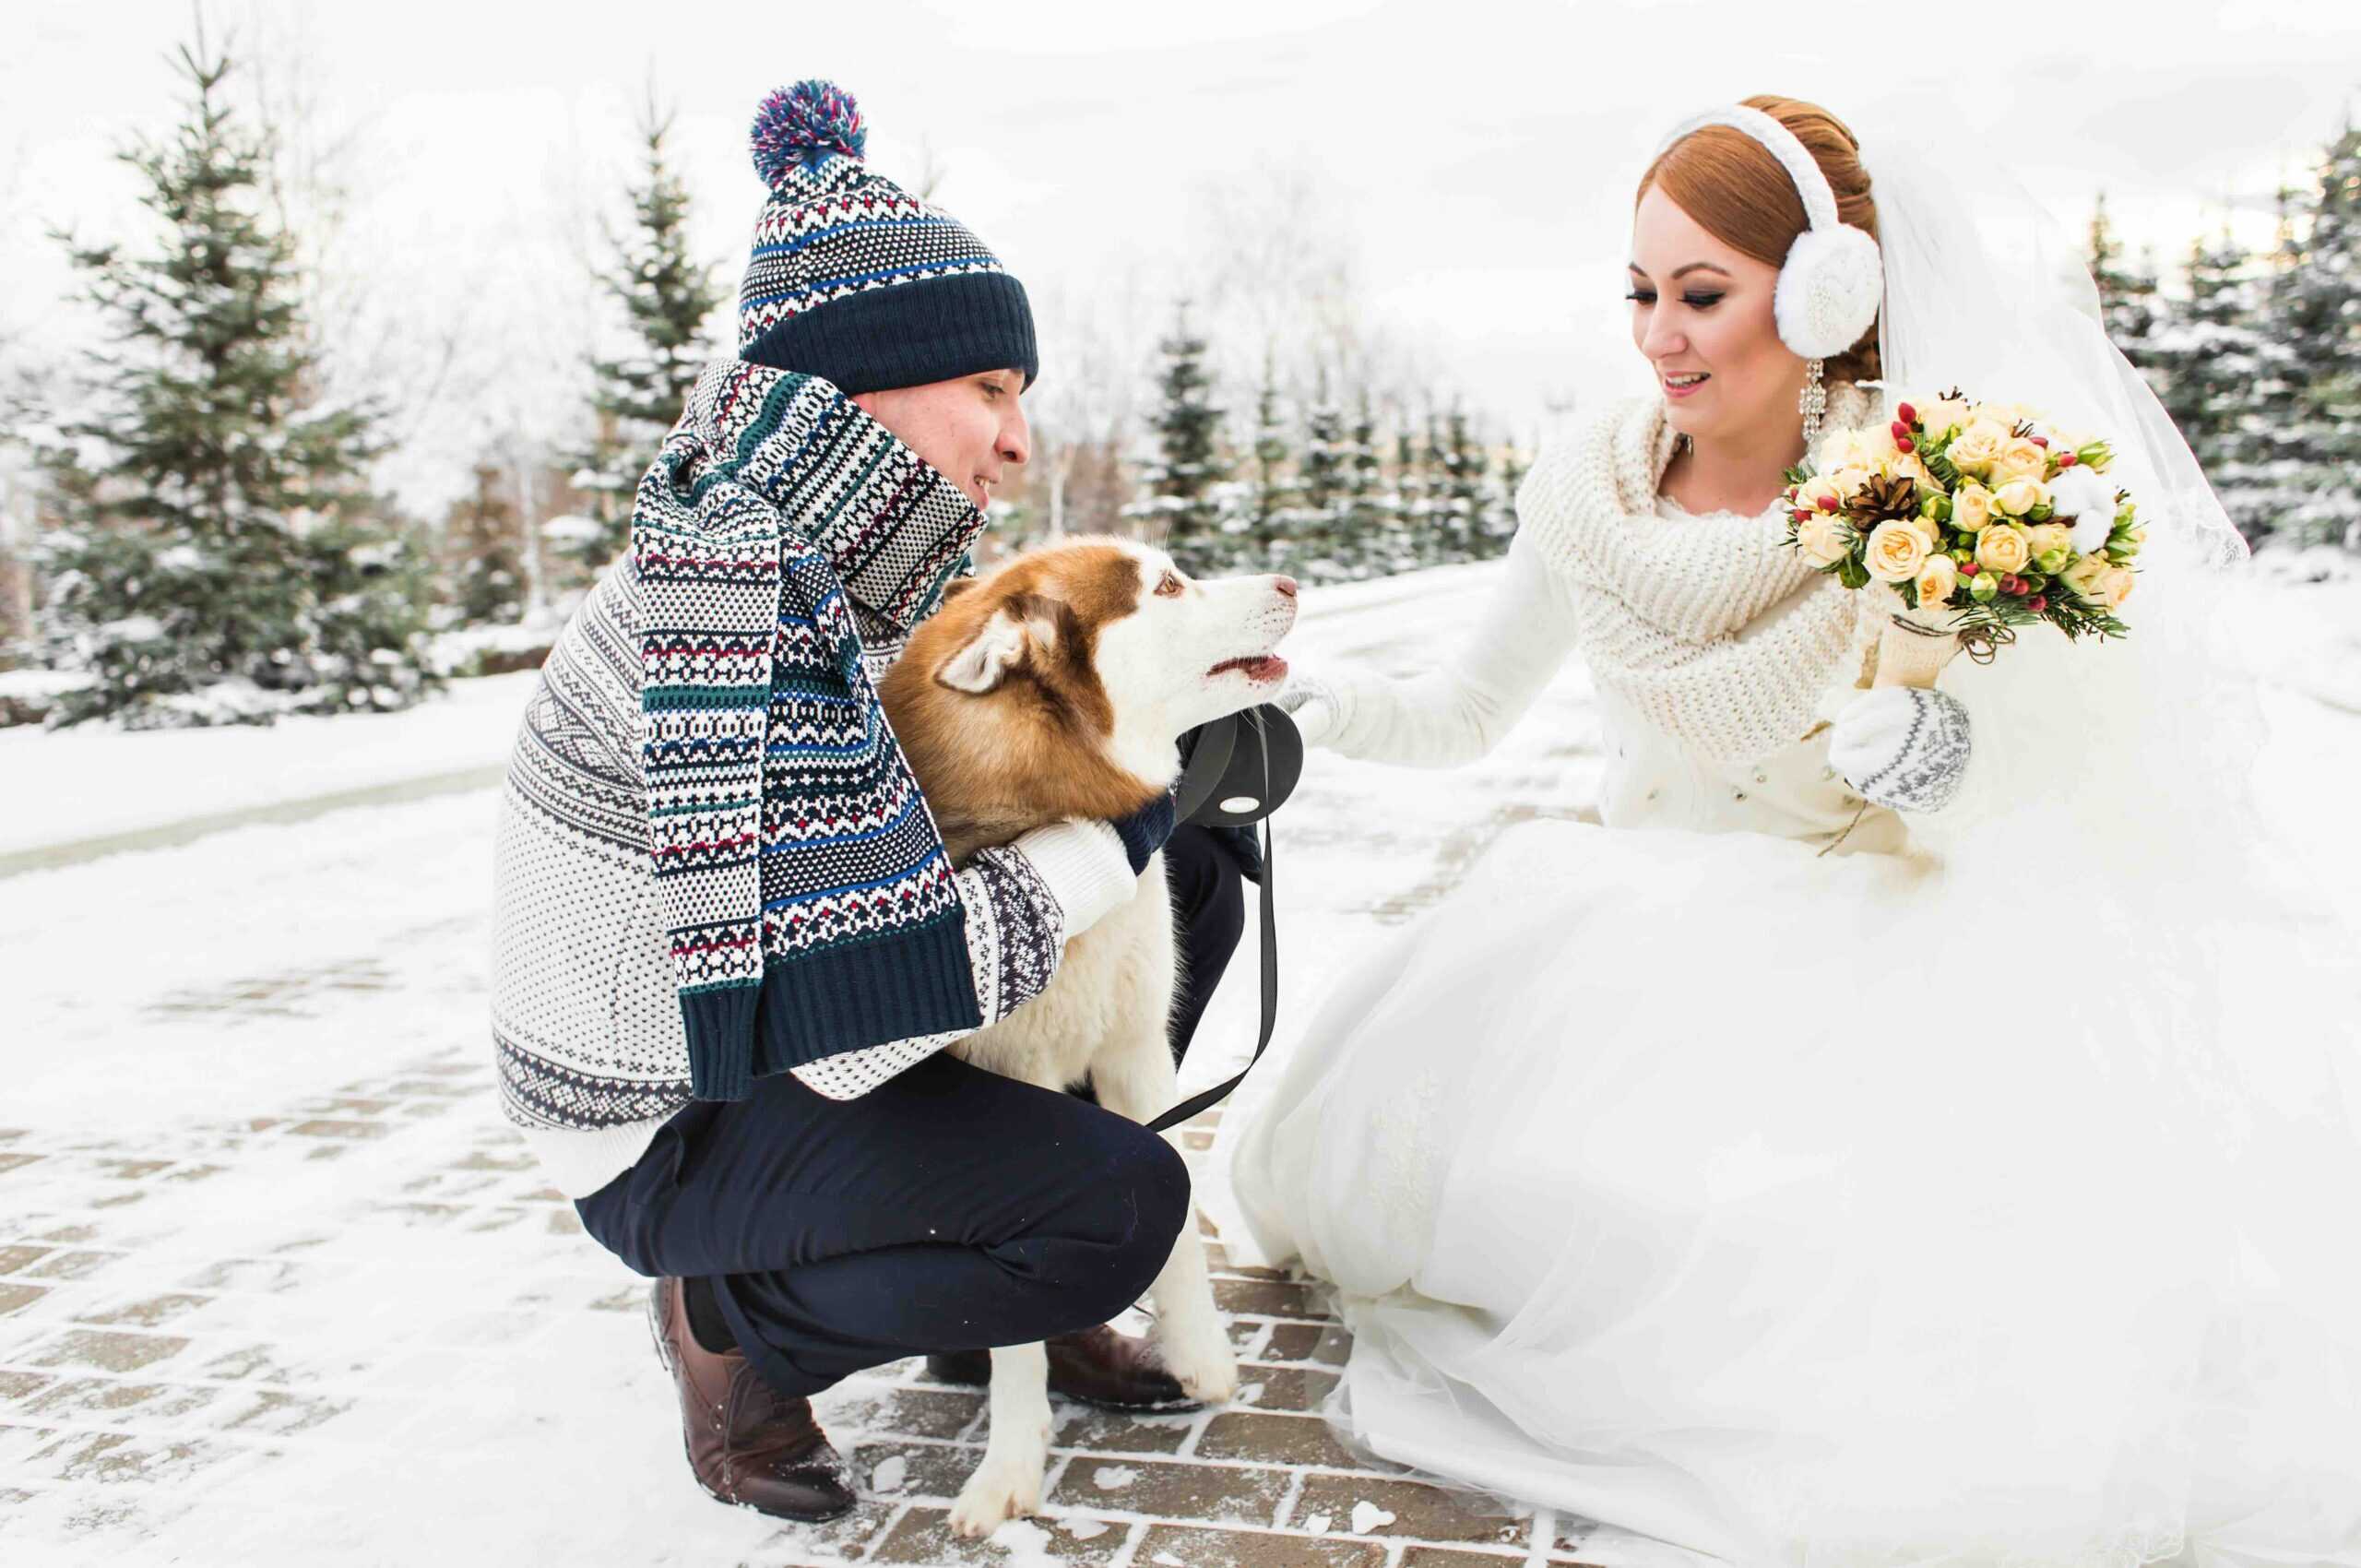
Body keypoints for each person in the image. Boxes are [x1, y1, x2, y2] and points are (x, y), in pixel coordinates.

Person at [1229, 95, 2361, 1566]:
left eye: (1703, 294)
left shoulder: (1935, 489)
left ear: (1828, 293)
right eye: (1641, 293)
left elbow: (2029, 771)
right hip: (1624, 938)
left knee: (1835, 1302)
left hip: (1867, 946)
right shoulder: (1588, 494)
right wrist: (1303, 704)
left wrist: (1939, 750)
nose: (1661, 335)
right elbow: (1459, 713)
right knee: (1497, 1216)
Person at [490, 80, 1248, 1523]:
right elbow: (872, 1000)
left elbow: (942, 835)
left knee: (1190, 884)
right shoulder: (729, 601)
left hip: (772, 1039)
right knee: (1118, 1205)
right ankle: (733, 1329)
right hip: (673, 1119)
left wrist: (1155, 783)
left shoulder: (816, 562)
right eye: (992, 392)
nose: (1016, 443)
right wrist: (1130, 820)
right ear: (861, 387)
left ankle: (989, 1283)